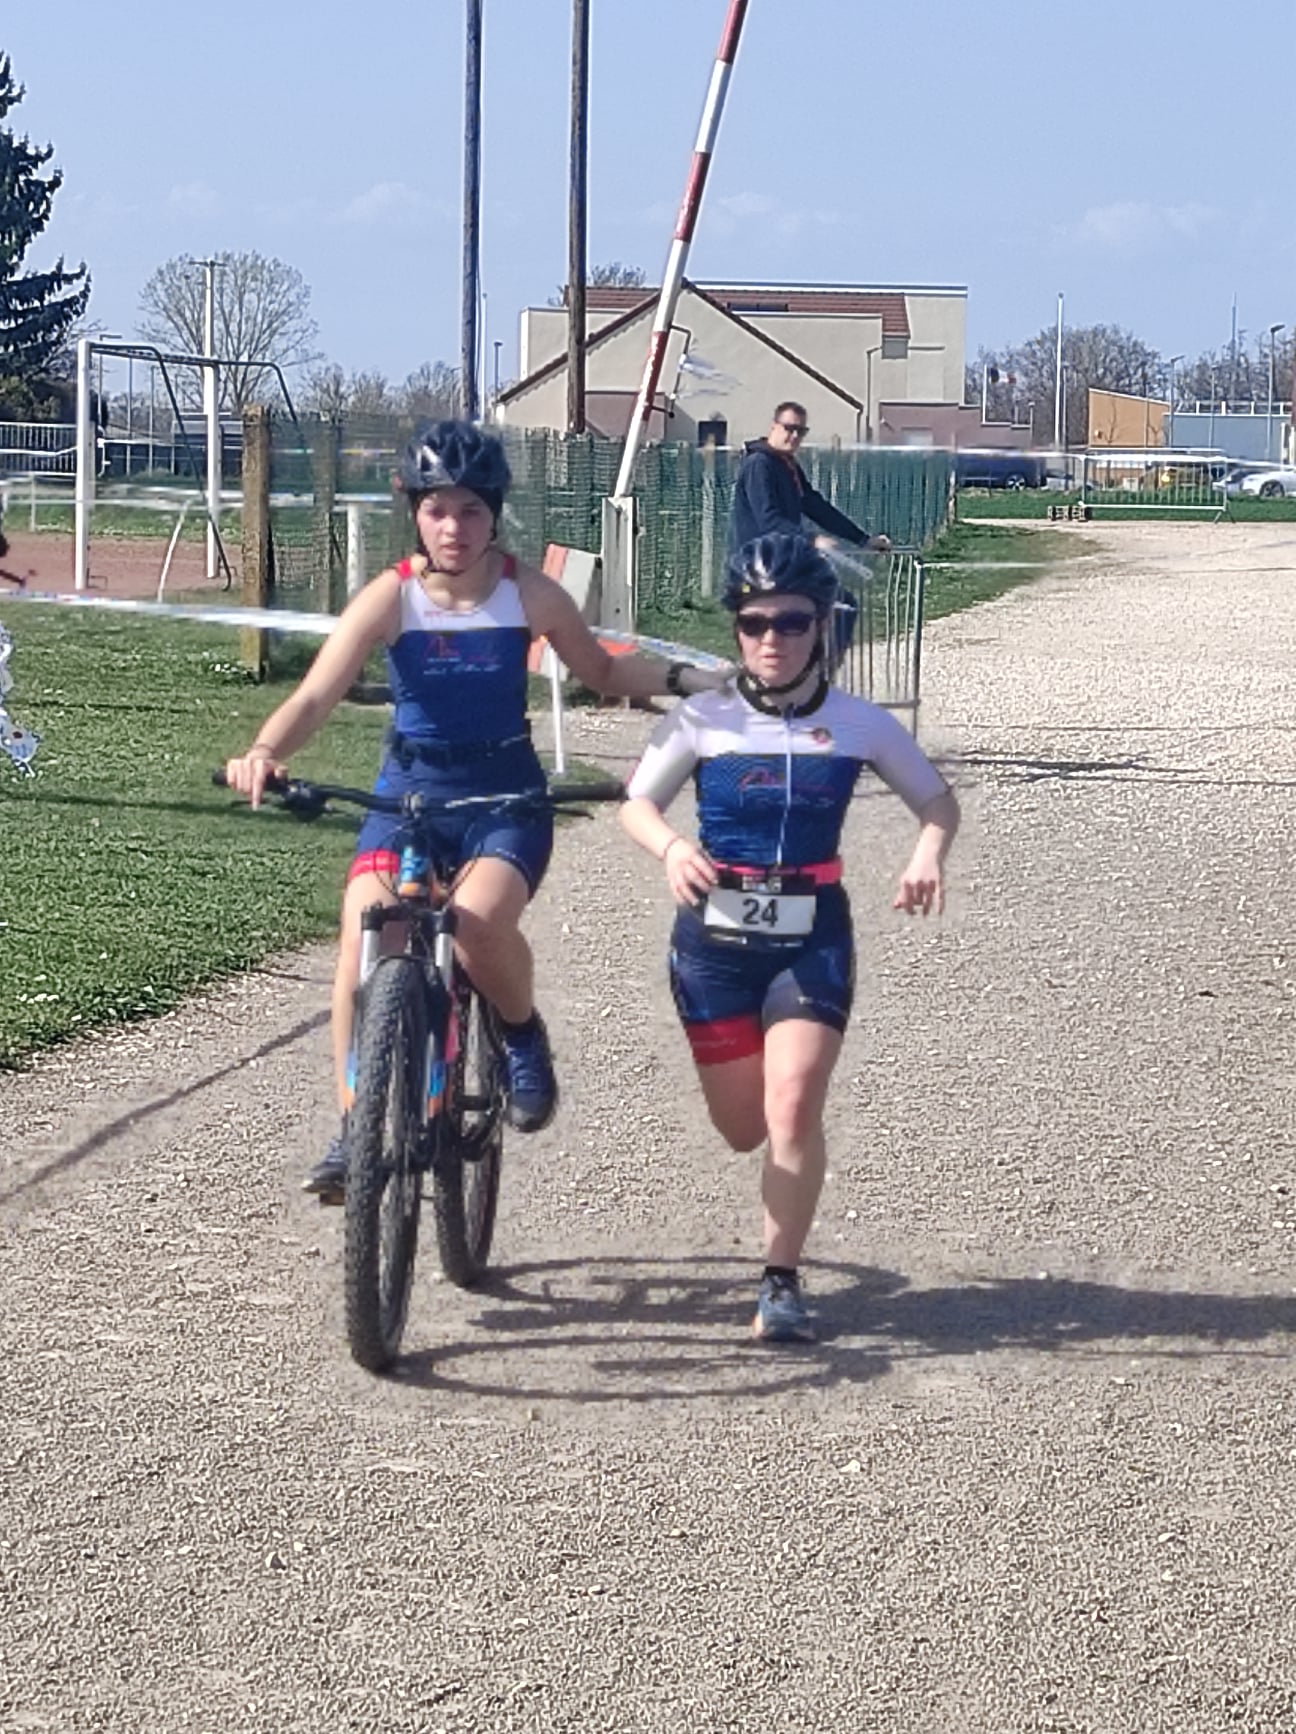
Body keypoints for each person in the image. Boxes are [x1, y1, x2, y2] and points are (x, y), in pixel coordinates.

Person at [224, 419, 732, 1200]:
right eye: (437, 510)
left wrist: (688, 680)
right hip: (407, 797)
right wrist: (264, 750)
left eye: (470, 510)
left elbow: (601, 671)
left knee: (474, 924)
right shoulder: (390, 596)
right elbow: (317, 694)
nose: (453, 527)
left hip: (503, 799)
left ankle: (521, 1034)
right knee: (364, 935)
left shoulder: (529, 594)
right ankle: (356, 1125)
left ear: (494, 515)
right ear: (415, 514)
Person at [619, 532, 958, 1343]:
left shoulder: (859, 723)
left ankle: (780, 1282)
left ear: (823, 625)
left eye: (792, 622)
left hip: (812, 936)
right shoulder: (701, 718)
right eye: (754, 622)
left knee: (795, 1103)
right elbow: (636, 804)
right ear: (736, 628)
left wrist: (926, 854)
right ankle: (776, 1221)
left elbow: (937, 802)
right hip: (713, 945)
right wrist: (671, 848)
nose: (771, 639)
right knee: (744, 1128)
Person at [729, 401, 892, 558]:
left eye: (801, 431)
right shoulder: (759, 464)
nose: (795, 436)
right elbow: (768, 520)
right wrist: (812, 540)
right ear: (774, 427)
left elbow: (816, 507)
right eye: (789, 429)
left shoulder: (787, 464)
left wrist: (862, 539)